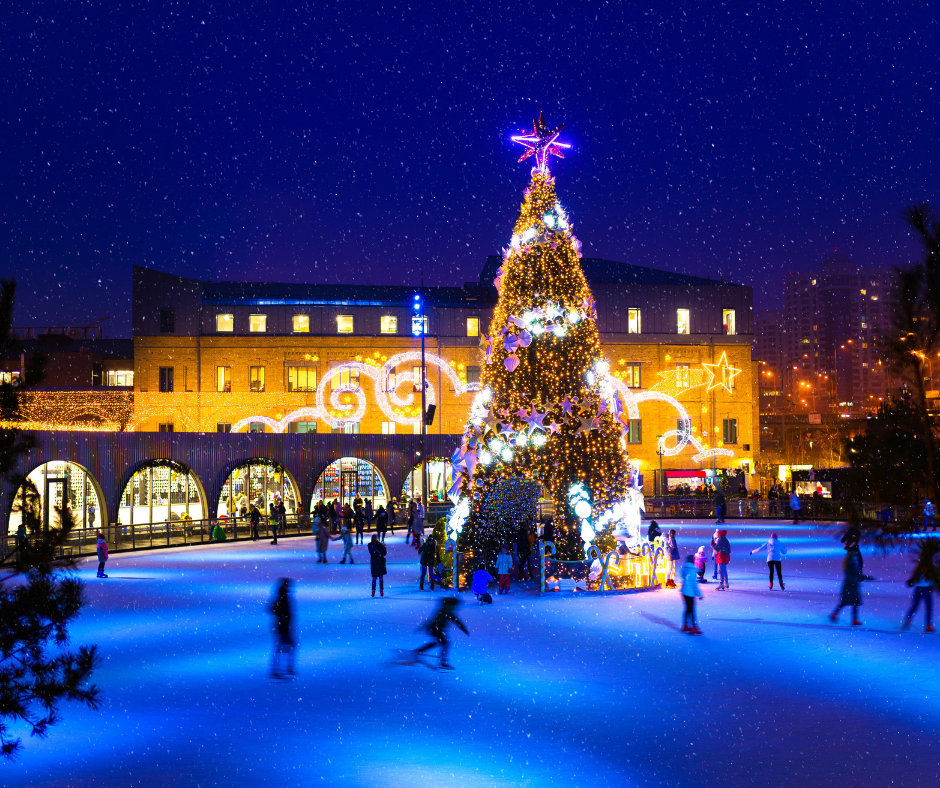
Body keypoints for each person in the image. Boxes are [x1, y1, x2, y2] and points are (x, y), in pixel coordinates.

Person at [411, 596, 468, 670]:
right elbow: (456, 621)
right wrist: (463, 629)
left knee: (438, 643)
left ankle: (419, 651)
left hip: (436, 629)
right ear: (450, 605)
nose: (455, 608)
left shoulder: (445, 611)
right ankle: (442, 662)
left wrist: (463, 629)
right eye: (454, 606)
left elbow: (456, 621)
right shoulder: (445, 612)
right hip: (435, 629)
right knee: (445, 643)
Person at [901, 543, 937, 633]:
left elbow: (932, 577)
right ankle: (909, 621)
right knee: (918, 606)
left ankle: (926, 625)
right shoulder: (923, 566)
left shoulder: (928, 566)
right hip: (921, 588)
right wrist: (912, 581)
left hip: (925, 588)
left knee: (924, 606)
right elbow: (917, 576)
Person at [830, 537, 864, 626]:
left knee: (852, 602)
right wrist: (858, 578)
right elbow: (851, 573)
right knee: (849, 602)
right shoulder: (850, 563)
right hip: (850, 585)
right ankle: (838, 615)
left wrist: (863, 577)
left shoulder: (852, 562)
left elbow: (855, 573)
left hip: (852, 585)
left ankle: (852, 618)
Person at [269, 578, 296, 679]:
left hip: (284, 626)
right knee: (283, 647)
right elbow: (272, 609)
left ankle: (283, 668)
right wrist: (283, 617)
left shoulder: (283, 596)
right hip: (282, 626)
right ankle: (279, 669)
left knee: (286, 647)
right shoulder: (282, 597)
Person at [680, 555, 703, 635]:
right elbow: (694, 584)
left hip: (684, 592)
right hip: (690, 593)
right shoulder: (692, 571)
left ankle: (685, 625)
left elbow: (683, 576)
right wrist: (699, 594)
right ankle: (693, 627)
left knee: (687, 609)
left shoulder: (684, 569)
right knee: (692, 610)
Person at [368, 533, 387, 598]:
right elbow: (384, 553)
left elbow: (372, 552)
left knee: (374, 578)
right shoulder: (380, 545)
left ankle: (373, 591)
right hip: (380, 563)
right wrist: (383, 547)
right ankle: (381, 591)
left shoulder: (370, 545)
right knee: (380, 578)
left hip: (374, 564)